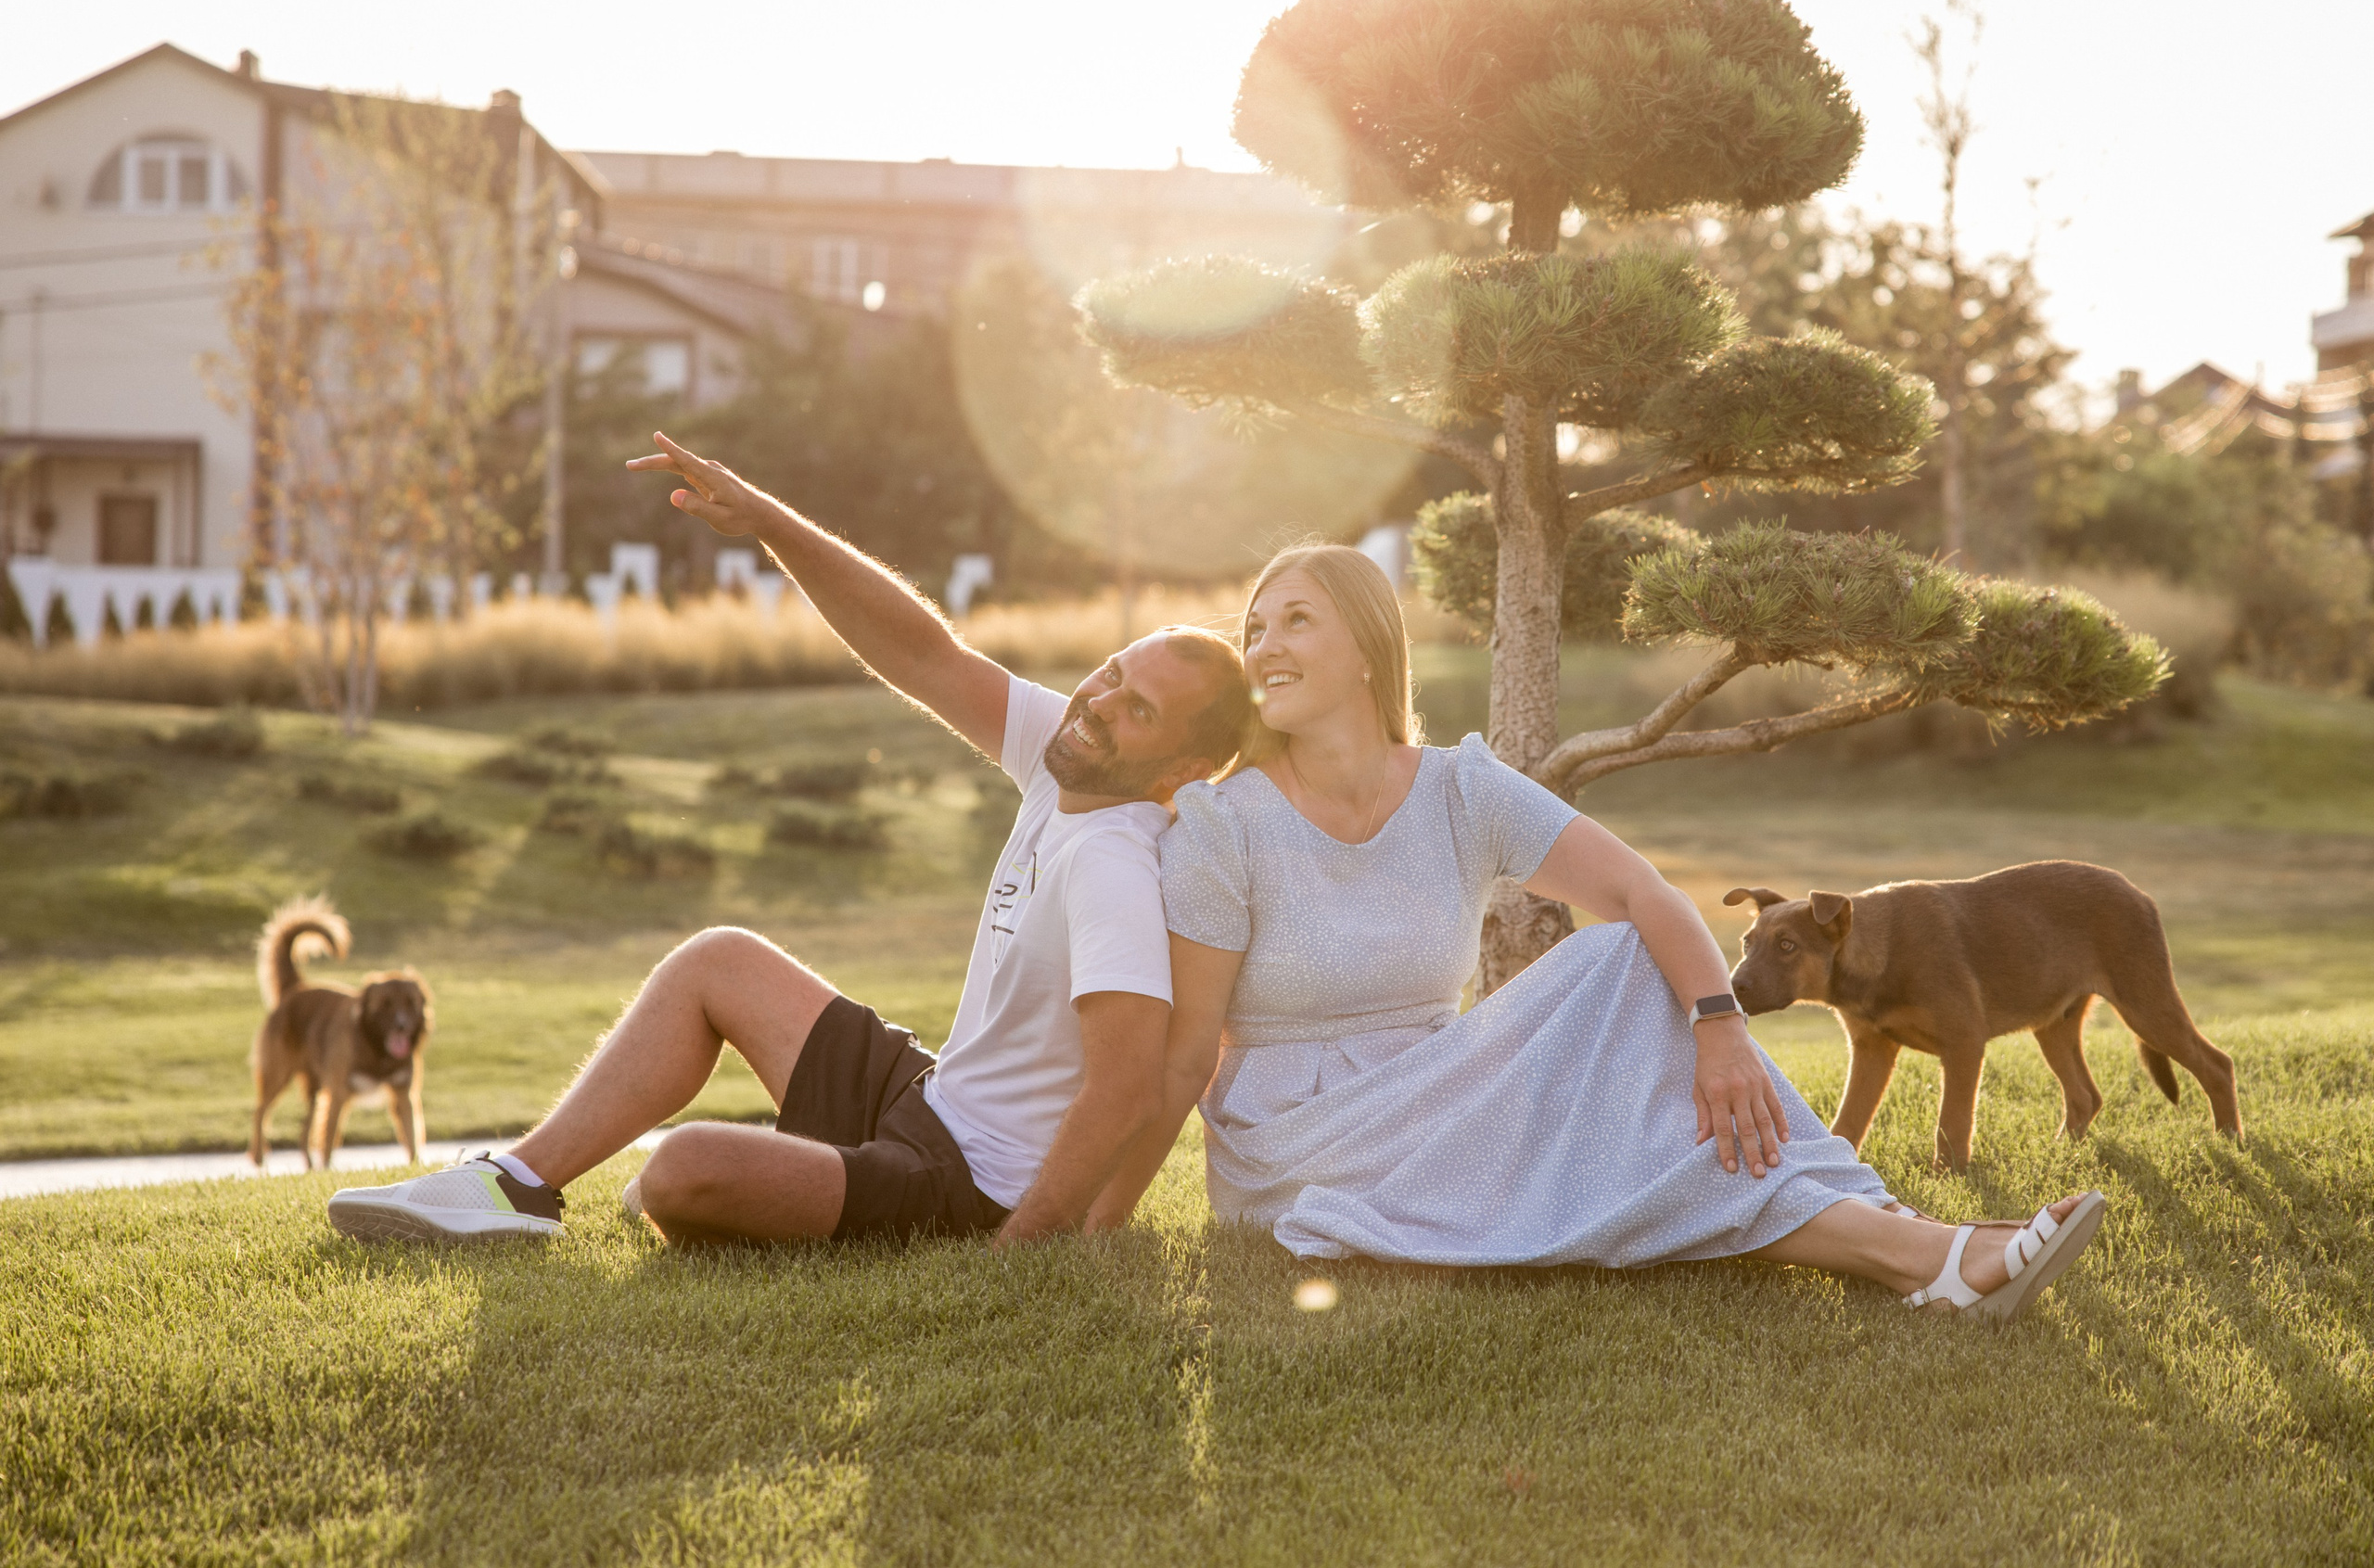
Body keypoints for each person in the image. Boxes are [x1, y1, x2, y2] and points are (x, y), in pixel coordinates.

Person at [1088, 544, 2105, 1320]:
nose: (1264, 646)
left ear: (1366, 651)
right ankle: (1924, 1252)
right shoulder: (1223, 825)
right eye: (1256, 627)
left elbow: (1644, 894)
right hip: (1304, 1140)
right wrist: (1098, 1228)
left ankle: (1906, 1237)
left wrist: (1719, 1028)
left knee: (1629, 959)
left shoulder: (1460, 789)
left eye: (1295, 620)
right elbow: (1186, 1058)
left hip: (1448, 1088)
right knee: (1633, 1130)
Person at [326, 434, 1250, 1249]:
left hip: (964, 1185)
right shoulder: (1069, 755)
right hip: (927, 1101)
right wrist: (765, 519)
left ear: (1182, 769)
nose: (1098, 703)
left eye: (1138, 709)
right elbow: (922, 653)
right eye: (1111, 672)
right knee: (717, 961)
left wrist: (1021, 1245)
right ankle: (513, 1184)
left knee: (681, 1170)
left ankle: (754, 1184)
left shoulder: (1115, 865)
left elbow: (1127, 1088)